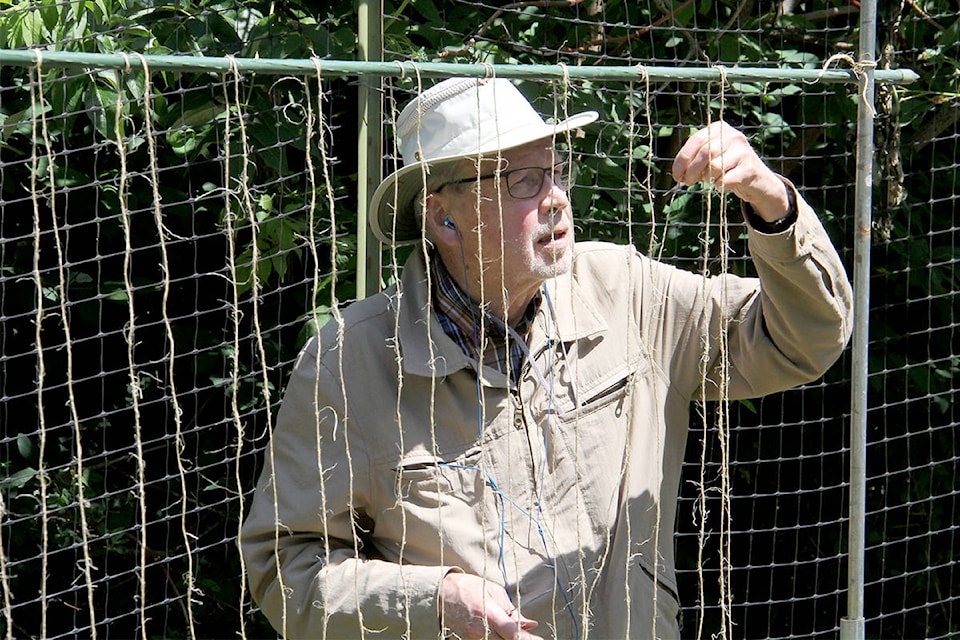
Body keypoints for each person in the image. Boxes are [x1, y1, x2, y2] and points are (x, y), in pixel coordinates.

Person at [240, 77, 853, 639]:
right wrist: (434, 600)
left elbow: (803, 339)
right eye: (523, 182)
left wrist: (771, 203)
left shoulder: (624, 294)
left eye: (556, 172)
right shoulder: (352, 362)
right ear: (444, 217)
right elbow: (286, 569)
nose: (557, 198)